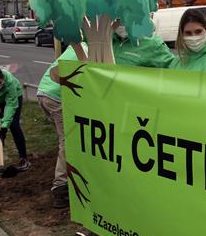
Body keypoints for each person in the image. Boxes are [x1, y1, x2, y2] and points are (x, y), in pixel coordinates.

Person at [37, 24, 176, 208]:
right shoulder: (101, 42)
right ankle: (66, 187)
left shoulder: (152, 44)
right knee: (84, 143)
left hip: (134, 112)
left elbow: (173, 73)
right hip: (102, 109)